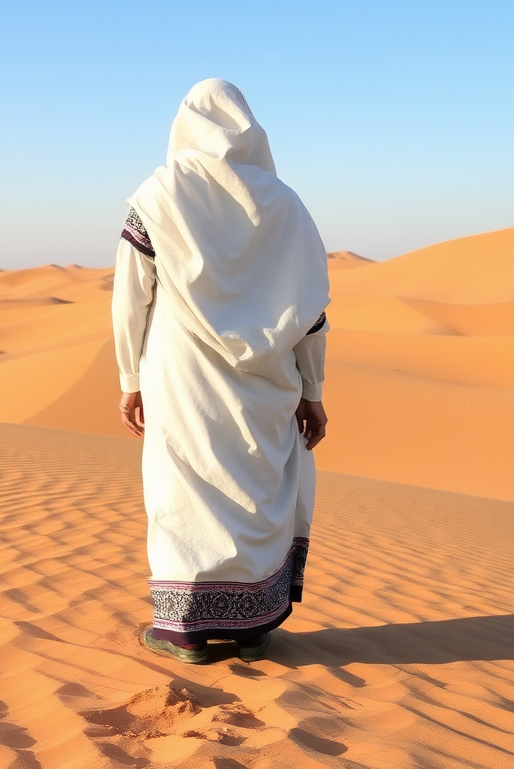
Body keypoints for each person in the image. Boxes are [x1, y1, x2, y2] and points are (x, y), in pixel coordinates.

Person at [112, 78, 329, 664]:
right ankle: (251, 626)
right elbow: (311, 311)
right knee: (258, 486)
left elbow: (131, 299)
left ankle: (185, 631)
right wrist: (313, 389)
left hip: (182, 377)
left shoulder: (158, 195)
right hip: (269, 377)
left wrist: (129, 377)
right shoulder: (286, 205)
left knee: (185, 485)